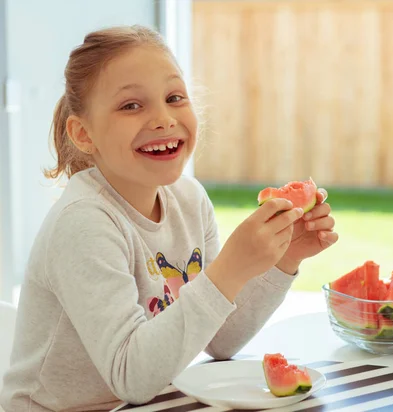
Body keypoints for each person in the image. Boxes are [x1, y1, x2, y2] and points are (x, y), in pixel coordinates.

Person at [0, 25, 338, 412]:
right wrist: (228, 270)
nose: (163, 118)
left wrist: (282, 261)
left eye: (174, 97)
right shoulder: (84, 224)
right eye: (131, 105)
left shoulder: (188, 199)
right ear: (83, 133)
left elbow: (221, 339)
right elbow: (132, 378)